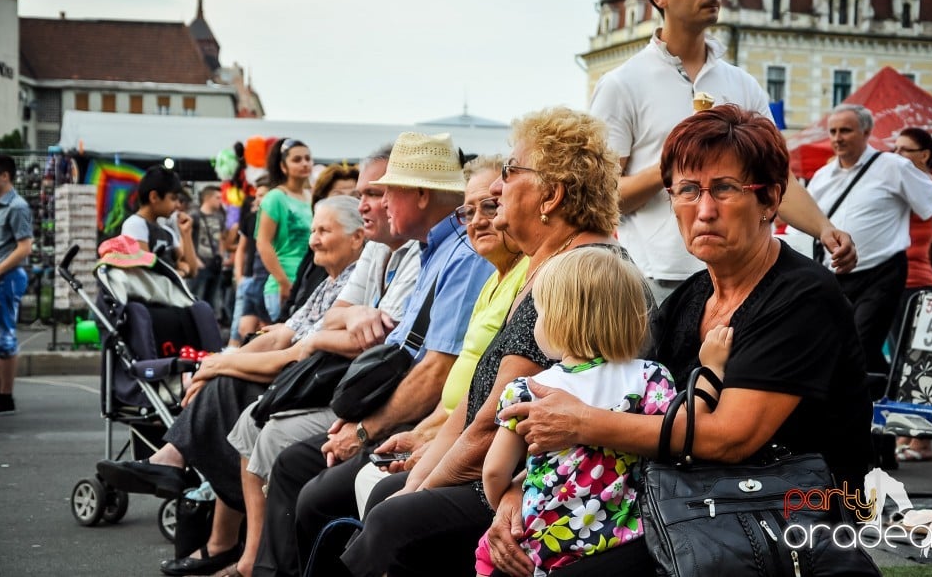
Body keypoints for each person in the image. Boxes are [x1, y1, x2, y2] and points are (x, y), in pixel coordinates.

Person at [485, 105, 874, 577]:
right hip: (690, 503)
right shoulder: (692, 297)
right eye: (687, 190)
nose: (703, 209)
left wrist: (582, 422)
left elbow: (731, 437)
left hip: (782, 515)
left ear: (770, 199)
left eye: (725, 189)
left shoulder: (803, 296)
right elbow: (629, 404)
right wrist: (515, 495)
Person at [337, 106, 631, 577]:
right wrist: (419, 480)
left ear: (550, 196)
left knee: (393, 519)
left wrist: (421, 490)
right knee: (388, 501)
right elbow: (472, 409)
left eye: (511, 172)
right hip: (519, 475)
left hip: (557, 493)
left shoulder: (576, 277)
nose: (496, 187)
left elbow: (494, 422)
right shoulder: (545, 266)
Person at [253, 131, 495, 577]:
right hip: (409, 417)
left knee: (310, 490)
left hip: (419, 422)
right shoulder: (431, 250)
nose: (379, 205)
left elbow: (434, 373)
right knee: (294, 467)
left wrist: (364, 431)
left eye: (386, 192)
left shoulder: (461, 254)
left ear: (422, 195)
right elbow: (402, 351)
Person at [98, 196, 365, 577]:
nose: (313, 240)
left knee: (230, 390)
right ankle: (215, 525)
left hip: (314, 383)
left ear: (357, 239)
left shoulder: (356, 282)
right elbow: (278, 339)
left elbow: (297, 356)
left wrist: (220, 363)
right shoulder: (329, 283)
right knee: (225, 384)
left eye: (324, 231)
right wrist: (217, 362)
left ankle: (184, 475)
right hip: (295, 375)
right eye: (313, 230)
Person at [589, 0, 856, 303]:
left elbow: (778, 180)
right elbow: (603, 199)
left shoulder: (740, 83)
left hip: (741, 280)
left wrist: (824, 228)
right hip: (656, 280)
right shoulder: (622, 84)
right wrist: (671, 165)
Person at [224, 147, 423, 577]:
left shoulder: (423, 252)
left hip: (368, 395)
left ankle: (251, 558)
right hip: (348, 386)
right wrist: (351, 316)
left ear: (415, 196)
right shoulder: (377, 246)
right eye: (364, 193)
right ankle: (238, 551)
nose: (366, 203)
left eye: (376, 192)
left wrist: (366, 426)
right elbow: (331, 321)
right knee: (241, 405)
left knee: (276, 437)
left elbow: (378, 348)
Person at [476, 248, 690, 577]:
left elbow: (493, 472)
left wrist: (503, 503)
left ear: (560, 320)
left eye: (540, 313)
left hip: (541, 544)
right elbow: (670, 437)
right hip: (622, 539)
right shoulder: (652, 378)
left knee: (485, 556)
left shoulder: (528, 390)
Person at [806, 105, 932, 395]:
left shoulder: (893, 167)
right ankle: (881, 403)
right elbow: (803, 225)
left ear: (867, 132)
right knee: (842, 347)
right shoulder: (821, 177)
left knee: (858, 342)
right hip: (834, 276)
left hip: (881, 272)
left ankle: (873, 411)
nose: (837, 137)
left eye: (846, 130)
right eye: (833, 131)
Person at [889, 128, 932, 463]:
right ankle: (906, 435)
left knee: (917, 366)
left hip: (914, 282)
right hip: (904, 281)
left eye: (905, 149)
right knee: (906, 364)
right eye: (894, 148)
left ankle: (922, 441)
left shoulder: (922, 185)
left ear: (925, 155)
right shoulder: (911, 182)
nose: (896, 155)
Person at [258, 138, 314, 321]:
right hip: (284, 285)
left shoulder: (312, 196)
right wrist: (283, 282)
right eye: (297, 160)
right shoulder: (275, 198)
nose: (305, 163)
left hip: (310, 283)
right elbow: (263, 242)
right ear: (283, 166)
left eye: (308, 158)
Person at [0, 155, 33, 416]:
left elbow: (25, 248)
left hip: (7, 278)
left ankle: (5, 396)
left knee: (5, 337)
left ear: (5, 175)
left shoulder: (17, 206)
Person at [121, 165, 199, 278]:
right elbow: (146, 274)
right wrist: (180, 272)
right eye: (173, 198)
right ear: (154, 197)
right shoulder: (135, 225)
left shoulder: (167, 233)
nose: (177, 205)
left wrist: (186, 234)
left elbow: (192, 270)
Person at [227, 176, 270, 350]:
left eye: (263, 195)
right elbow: (241, 248)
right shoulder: (251, 218)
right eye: (257, 195)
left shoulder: (279, 220)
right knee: (240, 328)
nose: (259, 199)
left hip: (268, 280)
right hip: (249, 279)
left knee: (265, 327)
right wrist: (239, 276)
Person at [190, 184, 227, 317]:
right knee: (196, 296)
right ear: (208, 198)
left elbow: (222, 238)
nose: (220, 201)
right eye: (217, 197)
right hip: (199, 263)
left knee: (213, 298)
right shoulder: (194, 216)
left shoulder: (220, 217)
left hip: (215, 264)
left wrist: (221, 256)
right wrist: (194, 259)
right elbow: (187, 238)